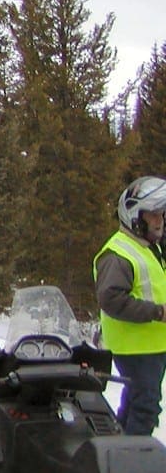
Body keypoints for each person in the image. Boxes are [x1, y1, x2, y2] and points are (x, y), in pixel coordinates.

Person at [93, 176, 166, 436]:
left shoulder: (148, 248)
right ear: (136, 217)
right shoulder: (119, 253)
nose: (160, 221)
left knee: (136, 403)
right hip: (135, 346)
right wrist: (157, 312)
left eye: (162, 214)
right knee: (145, 407)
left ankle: (118, 448)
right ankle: (135, 462)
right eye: (154, 215)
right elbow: (111, 299)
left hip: (150, 345)